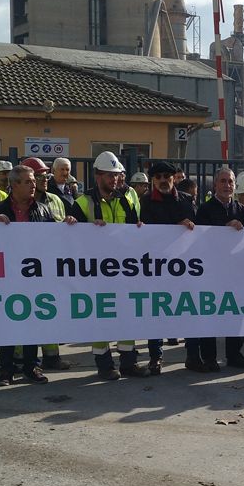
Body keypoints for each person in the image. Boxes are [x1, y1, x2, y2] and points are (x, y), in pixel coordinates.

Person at [0, 165, 75, 385]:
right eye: (28, 181)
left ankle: (31, 367)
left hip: (34, 276)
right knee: (8, 323)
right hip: (6, 275)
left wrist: (67, 224)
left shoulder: (43, 210)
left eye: (34, 180)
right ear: (15, 184)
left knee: (33, 321)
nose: (34, 184)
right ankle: (6, 369)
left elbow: (54, 238)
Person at [72, 151, 149, 380]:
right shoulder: (83, 202)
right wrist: (76, 224)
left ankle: (128, 363)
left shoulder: (126, 200)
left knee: (127, 315)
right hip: (96, 272)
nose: (114, 180)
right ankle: (104, 364)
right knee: (101, 318)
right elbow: (68, 234)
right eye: (109, 175)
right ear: (97, 176)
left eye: (116, 175)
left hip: (124, 270)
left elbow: (136, 224)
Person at [192, 167, 244, 371]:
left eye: (230, 182)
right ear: (215, 184)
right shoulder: (205, 209)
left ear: (235, 186)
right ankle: (209, 357)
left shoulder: (241, 209)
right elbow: (201, 239)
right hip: (211, 272)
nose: (227, 185)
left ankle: (234, 354)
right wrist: (224, 228)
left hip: (235, 273)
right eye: (223, 181)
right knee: (210, 314)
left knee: (234, 313)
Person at [139, 160, 198, 374]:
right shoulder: (145, 202)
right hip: (157, 267)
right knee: (157, 313)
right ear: (153, 180)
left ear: (174, 178)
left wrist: (190, 227)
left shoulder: (187, 200)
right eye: (158, 177)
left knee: (189, 310)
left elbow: (197, 231)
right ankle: (156, 357)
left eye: (167, 177)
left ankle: (193, 356)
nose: (163, 181)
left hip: (185, 266)